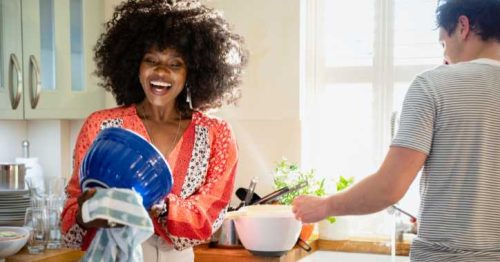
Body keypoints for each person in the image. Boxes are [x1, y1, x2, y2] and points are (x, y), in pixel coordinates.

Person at [293, 0, 500, 261]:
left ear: (463, 26)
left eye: (443, 45)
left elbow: (388, 189)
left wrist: (324, 206)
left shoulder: (434, 85)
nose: (444, 58)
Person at [60, 0, 248, 261]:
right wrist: (88, 211)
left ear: (191, 72)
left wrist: (156, 205)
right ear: (135, 66)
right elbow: (70, 215)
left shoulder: (217, 133)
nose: (161, 72)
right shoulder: (101, 126)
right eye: (151, 60)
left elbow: (210, 215)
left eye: (175, 64)